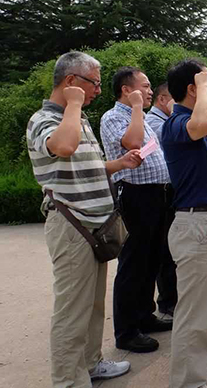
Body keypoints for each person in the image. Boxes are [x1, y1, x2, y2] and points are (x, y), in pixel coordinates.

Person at [26, 51, 141, 387]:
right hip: (72, 225)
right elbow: (63, 147)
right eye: (94, 83)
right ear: (71, 81)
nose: (98, 90)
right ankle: (68, 380)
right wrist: (74, 104)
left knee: (91, 305)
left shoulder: (80, 119)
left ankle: (91, 363)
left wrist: (118, 165)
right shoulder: (43, 119)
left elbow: (84, 165)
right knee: (71, 311)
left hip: (94, 226)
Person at [160, 59, 207, 388]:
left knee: (203, 305)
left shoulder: (189, 123)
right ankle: (188, 381)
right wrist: (203, 82)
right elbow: (204, 123)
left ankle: (197, 363)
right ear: (193, 89)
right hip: (197, 224)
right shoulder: (178, 123)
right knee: (193, 309)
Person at [100, 67, 173, 354]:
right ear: (126, 90)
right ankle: (127, 331)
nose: (150, 91)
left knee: (152, 259)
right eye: (144, 86)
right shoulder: (113, 117)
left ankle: (145, 315)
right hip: (135, 195)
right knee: (133, 263)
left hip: (157, 194)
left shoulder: (138, 116)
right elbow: (131, 142)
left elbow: (152, 149)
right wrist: (137, 108)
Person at [144, 82, 178, 319]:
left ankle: (169, 298)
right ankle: (167, 301)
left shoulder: (160, 120)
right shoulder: (154, 122)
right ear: (163, 99)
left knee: (169, 249)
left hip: (167, 190)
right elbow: (171, 143)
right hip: (156, 193)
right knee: (164, 250)